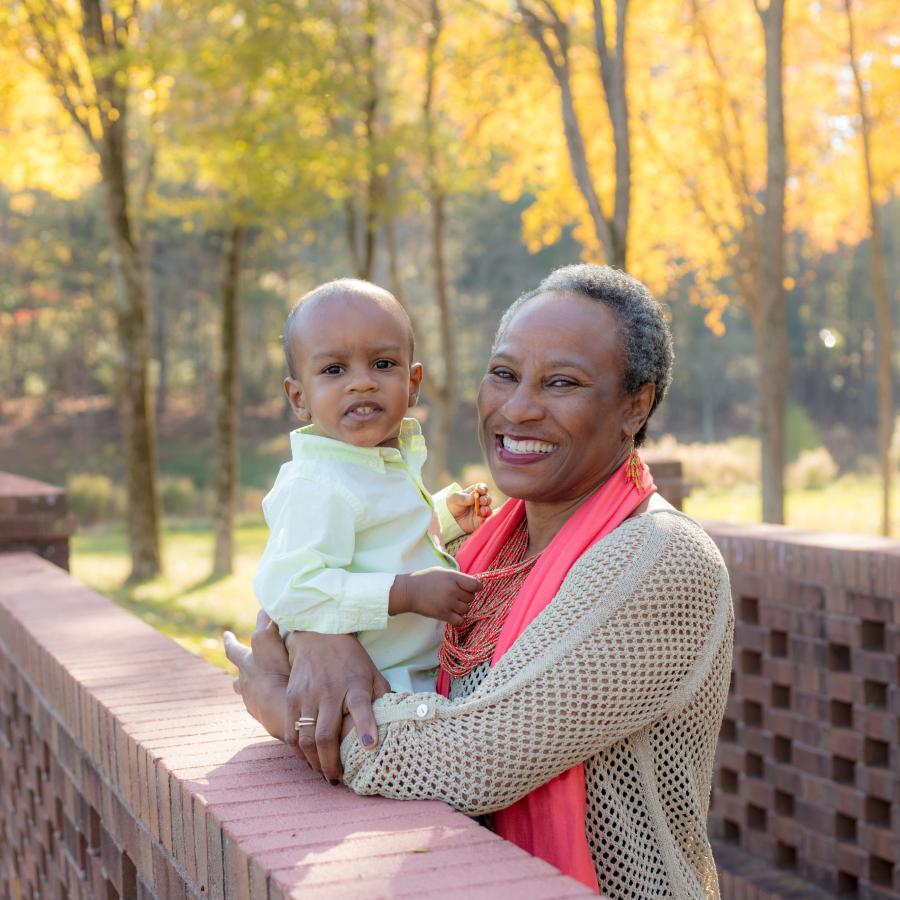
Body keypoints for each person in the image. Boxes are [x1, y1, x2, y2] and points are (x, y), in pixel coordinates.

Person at [226, 264, 734, 899]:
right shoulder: (483, 547)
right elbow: (306, 581)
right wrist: (314, 634)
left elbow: (472, 760)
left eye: (562, 382)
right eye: (504, 374)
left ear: (635, 405)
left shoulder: (659, 560)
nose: (518, 407)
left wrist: (287, 709)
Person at [254, 278, 491, 699]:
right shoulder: (316, 482)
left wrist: (442, 517)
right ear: (299, 397)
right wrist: (404, 592)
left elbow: (378, 537)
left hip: (423, 676)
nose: (362, 382)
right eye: (334, 370)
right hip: (368, 688)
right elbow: (290, 591)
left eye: (382, 364)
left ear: (413, 383)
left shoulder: (376, 462)